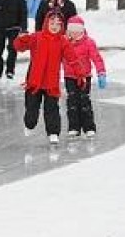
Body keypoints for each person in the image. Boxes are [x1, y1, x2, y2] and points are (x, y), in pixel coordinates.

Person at [12, 10, 79, 145]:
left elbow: (72, 59)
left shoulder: (63, 42)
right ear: (46, 23)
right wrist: (21, 39)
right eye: (52, 23)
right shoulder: (37, 37)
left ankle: (53, 133)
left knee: (52, 109)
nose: (55, 26)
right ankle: (29, 124)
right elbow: (19, 47)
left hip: (51, 84)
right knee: (31, 109)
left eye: (58, 24)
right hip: (34, 82)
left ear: (62, 27)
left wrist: (80, 73)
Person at [62, 15, 107, 138]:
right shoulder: (63, 42)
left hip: (84, 76)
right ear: (68, 31)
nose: (75, 34)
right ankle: (74, 127)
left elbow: (97, 58)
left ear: (82, 31)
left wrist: (101, 73)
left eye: (78, 31)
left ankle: (89, 127)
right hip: (69, 76)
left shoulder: (88, 42)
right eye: (72, 31)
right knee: (72, 101)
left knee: (84, 100)